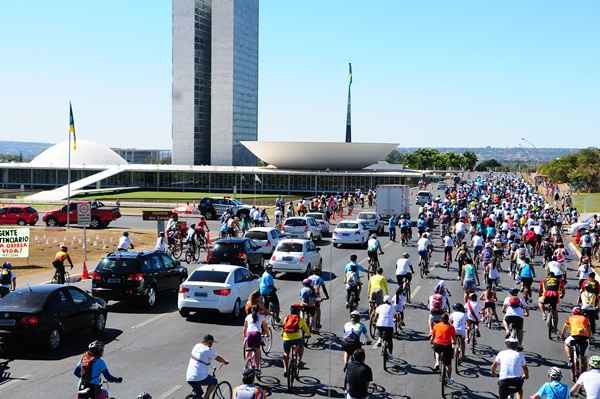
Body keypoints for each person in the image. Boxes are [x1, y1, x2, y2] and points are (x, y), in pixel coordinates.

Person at [186, 335, 229, 399]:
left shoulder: (197, 346)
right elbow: (217, 358)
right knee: (214, 381)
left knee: (198, 392)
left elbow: (202, 359)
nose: (212, 344)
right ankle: (206, 397)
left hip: (189, 377)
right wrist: (225, 361)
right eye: (211, 343)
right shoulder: (207, 350)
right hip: (199, 376)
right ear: (209, 341)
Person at [281, 304, 311, 378]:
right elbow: (306, 330)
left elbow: (283, 328)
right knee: (301, 346)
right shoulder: (300, 319)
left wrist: (282, 335)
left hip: (286, 338)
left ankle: (285, 369)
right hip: (296, 339)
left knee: (285, 354)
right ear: (298, 311)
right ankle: (298, 361)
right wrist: (308, 334)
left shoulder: (286, 318)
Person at [431, 313, 456, 385]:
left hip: (437, 345)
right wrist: (454, 343)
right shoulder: (451, 327)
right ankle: (449, 378)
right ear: (448, 320)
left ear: (441, 319)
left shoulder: (436, 325)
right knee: (449, 364)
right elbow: (454, 339)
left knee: (436, 351)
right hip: (447, 346)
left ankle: (437, 362)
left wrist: (431, 342)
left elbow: (433, 337)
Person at [243, 305, 269, 373]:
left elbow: (245, 328)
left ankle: (246, 364)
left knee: (249, 350)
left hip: (249, 334)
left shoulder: (248, 316)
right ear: (259, 310)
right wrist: (267, 334)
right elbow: (265, 327)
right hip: (257, 333)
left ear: (251, 310)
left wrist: (245, 337)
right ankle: (257, 368)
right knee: (257, 350)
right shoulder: (261, 316)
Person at [307, 266, 330, 331]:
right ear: (317, 272)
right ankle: (318, 323)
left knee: (309, 309)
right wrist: (327, 296)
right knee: (318, 309)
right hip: (316, 295)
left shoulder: (309, 277)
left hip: (309, 295)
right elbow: (323, 288)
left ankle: (308, 322)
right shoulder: (319, 278)